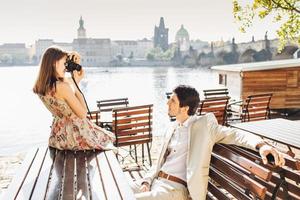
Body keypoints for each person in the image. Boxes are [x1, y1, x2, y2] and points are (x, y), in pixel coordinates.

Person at [130, 85, 285, 200]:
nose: (167, 103)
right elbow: (158, 163)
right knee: (112, 191)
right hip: (156, 180)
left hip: (174, 190)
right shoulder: (172, 127)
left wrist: (262, 145)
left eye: (172, 100)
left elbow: (235, 134)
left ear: (185, 108)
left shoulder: (204, 126)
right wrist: (146, 181)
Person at [33, 46, 115, 150]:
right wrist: (76, 85)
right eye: (64, 63)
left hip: (57, 136)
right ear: (54, 63)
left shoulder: (41, 86)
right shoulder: (62, 86)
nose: (66, 67)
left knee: (105, 135)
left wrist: (75, 76)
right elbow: (83, 114)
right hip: (75, 136)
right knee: (109, 138)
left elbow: (67, 81)